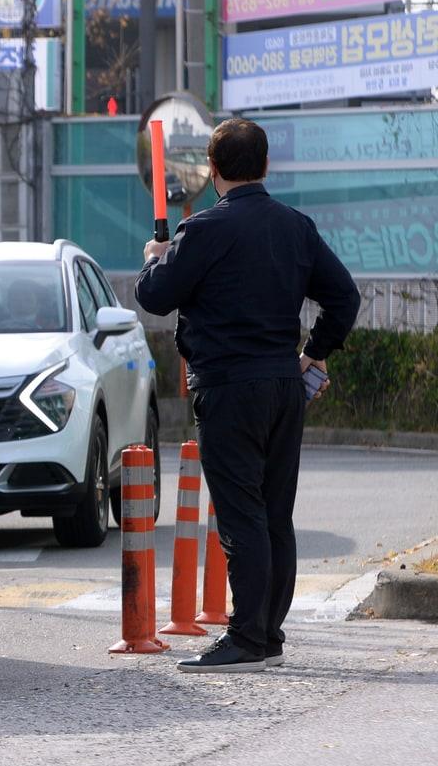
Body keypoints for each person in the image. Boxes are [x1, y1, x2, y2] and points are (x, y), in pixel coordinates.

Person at [135, 118, 360, 675]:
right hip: (284, 385)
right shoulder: (296, 227)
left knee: (241, 517)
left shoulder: (204, 231)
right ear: (264, 166)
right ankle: (268, 633)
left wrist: (155, 256)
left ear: (212, 170)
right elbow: (345, 297)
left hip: (229, 386)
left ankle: (247, 639)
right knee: (274, 514)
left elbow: (155, 298)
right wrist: (314, 352)